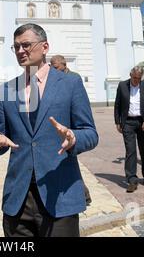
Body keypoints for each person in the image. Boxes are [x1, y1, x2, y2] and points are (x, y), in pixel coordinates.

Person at [0, 23, 99, 237]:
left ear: (45, 47)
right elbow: (0, 131)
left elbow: (91, 133)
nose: (21, 51)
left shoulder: (70, 83)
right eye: (16, 47)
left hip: (60, 193)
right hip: (19, 198)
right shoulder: (8, 89)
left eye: (26, 45)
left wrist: (74, 137)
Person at [50, 55, 92, 206]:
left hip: (73, 128)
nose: (52, 70)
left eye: (55, 67)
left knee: (70, 161)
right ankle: (84, 194)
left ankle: (83, 194)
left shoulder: (74, 78)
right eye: (51, 66)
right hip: (60, 126)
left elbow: (78, 102)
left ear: (64, 65)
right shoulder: (54, 78)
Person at [114, 66, 144, 192]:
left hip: (142, 122)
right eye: (134, 78)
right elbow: (118, 104)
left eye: (138, 78)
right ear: (130, 75)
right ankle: (132, 180)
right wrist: (118, 122)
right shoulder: (122, 85)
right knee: (130, 151)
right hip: (128, 122)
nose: (136, 80)